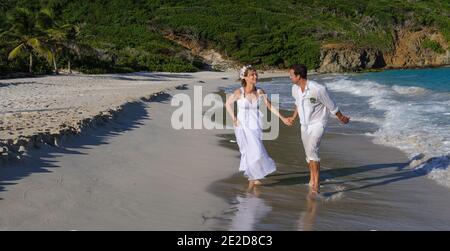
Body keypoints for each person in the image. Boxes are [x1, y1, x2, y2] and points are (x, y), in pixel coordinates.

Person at [287, 64, 350, 194]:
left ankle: (316, 184)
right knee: (308, 154)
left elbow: (332, 106)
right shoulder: (294, 89)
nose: (289, 77)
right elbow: (297, 104)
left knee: (312, 150)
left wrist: (341, 117)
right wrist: (293, 118)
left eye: (291, 75)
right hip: (304, 125)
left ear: (298, 76)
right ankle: (312, 178)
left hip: (318, 124)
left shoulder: (318, 89)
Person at [226, 65, 291, 189]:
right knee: (248, 151)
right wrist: (234, 118)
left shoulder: (260, 92)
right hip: (242, 127)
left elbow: (270, 106)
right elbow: (228, 104)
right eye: (252, 75)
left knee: (257, 150)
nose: (255, 77)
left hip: (255, 126)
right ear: (245, 77)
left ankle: (254, 177)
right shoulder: (239, 92)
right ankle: (254, 178)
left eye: (256, 74)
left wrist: (282, 118)